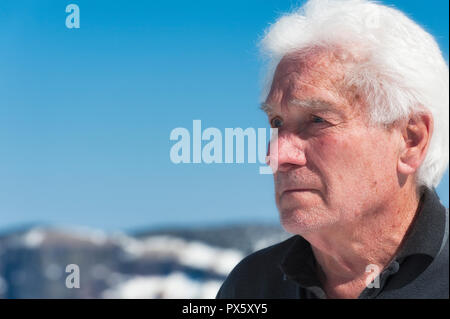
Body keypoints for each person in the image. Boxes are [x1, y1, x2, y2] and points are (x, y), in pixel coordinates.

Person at [216, 0, 449, 299]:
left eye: (317, 119)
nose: (276, 156)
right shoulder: (250, 287)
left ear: (410, 140)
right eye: (276, 122)